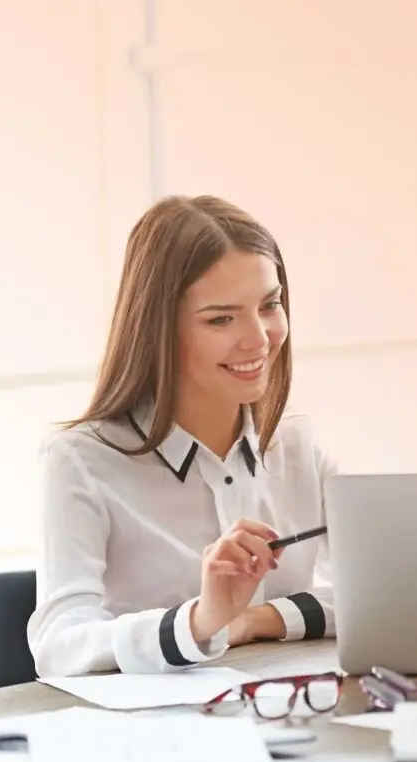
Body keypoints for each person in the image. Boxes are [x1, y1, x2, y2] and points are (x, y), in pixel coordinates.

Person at [28, 195, 337, 676]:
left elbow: (386, 592)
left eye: (270, 305)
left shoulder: (295, 443)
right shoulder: (81, 460)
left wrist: (254, 621)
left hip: (285, 723)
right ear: (158, 330)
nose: (258, 338)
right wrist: (198, 621)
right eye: (221, 318)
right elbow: (60, 646)